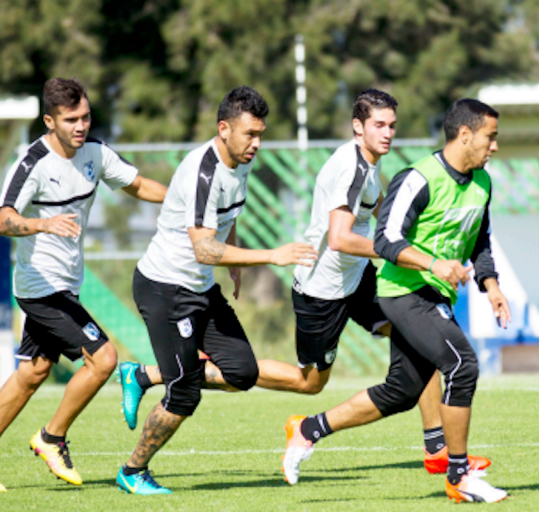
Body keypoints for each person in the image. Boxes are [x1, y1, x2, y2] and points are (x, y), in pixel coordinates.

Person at [119, 89, 489, 475]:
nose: (388, 133)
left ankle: (437, 448)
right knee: (308, 383)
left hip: (355, 277)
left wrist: (406, 232)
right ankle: (150, 384)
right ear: (358, 127)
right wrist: (398, 251)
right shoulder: (344, 167)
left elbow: (374, 206)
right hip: (321, 290)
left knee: (417, 333)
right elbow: (340, 239)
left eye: (392, 125)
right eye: (379, 125)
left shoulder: (363, 163)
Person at [282, 99, 510, 504]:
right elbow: (385, 239)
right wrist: (433, 262)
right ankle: (457, 472)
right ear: (465, 135)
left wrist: (491, 285)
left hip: (430, 291)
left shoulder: (483, 183)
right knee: (461, 364)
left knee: (402, 390)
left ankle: (309, 430)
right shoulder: (418, 178)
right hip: (400, 291)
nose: (494, 146)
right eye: (490, 137)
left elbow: (480, 240)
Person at [0, 77, 166, 492]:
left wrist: (184, 199)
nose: (81, 125)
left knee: (33, 372)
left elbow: (138, 185)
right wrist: (42, 223)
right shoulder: (32, 163)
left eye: (86, 116)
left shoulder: (96, 153)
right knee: (103, 359)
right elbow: (2, 220)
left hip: (66, 284)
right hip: (39, 286)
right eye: (71, 119)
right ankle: (51, 438)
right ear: (49, 120)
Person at [116, 86, 316, 495]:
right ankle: (132, 471)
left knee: (243, 372)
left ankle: (142, 375)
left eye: (261, 134)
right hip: (165, 289)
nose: (256, 144)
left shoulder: (239, 161)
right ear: (223, 129)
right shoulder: (201, 173)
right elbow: (204, 249)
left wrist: (237, 261)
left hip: (200, 288)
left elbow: (226, 217)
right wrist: (269, 256)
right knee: (185, 393)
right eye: (249, 135)